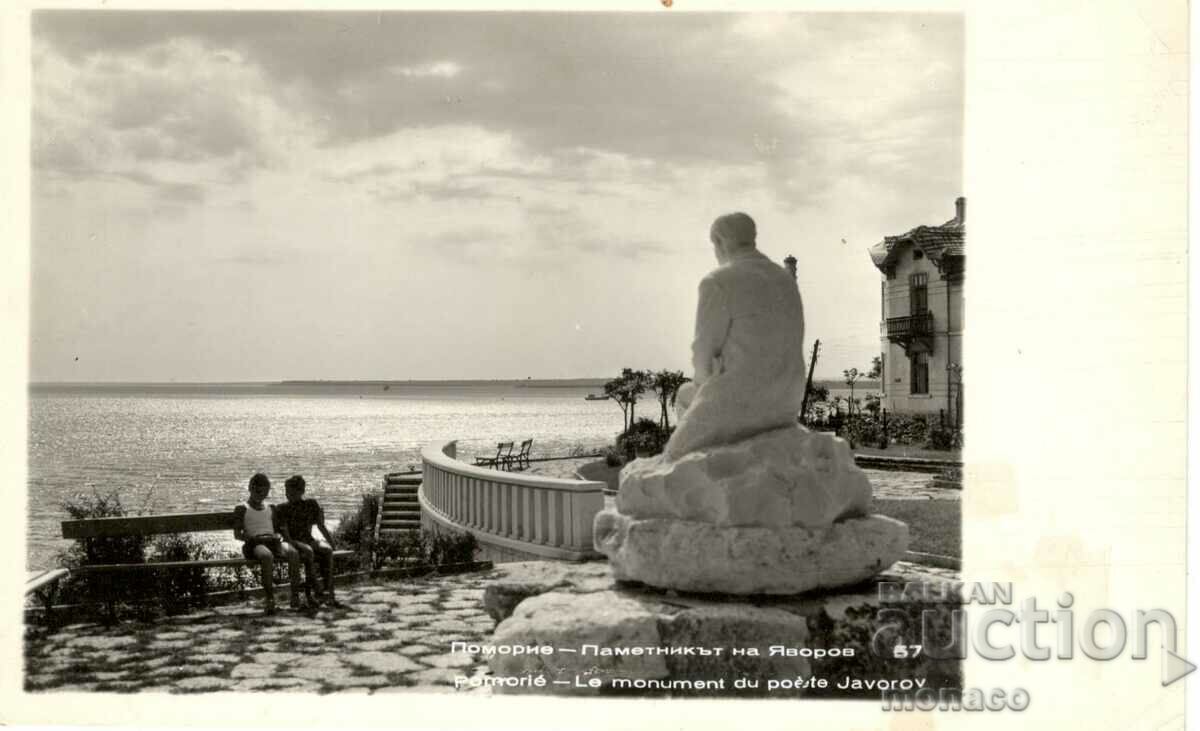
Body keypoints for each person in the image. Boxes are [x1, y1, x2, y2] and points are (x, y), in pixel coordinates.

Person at [663, 212, 807, 460]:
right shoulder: (786, 280)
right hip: (787, 403)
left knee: (679, 428)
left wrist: (708, 383)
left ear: (720, 242)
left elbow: (703, 353)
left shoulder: (718, 281)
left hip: (742, 402)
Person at [232, 473, 306, 615]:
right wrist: (251, 538)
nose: (260, 493)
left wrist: (278, 536)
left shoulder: (271, 507)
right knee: (266, 556)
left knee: (293, 553)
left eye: (264, 491)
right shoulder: (242, 508)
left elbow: (279, 530)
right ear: (250, 488)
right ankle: (270, 600)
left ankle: (295, 596)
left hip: (272, 541)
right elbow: (237, 534)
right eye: (257, 490)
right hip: (254, 544)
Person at [275, 475, 340, 607]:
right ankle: (315, 591)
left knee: (327, 551)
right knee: (308, 551)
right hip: (291, 542)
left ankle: (328, 591)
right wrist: (294, 544)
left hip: (308, 540)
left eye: (293, 492)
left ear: (301, 491)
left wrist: (332, 543)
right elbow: (285, 533)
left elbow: (321, 526)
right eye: (287, 492)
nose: (289, 495)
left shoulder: (310, 504)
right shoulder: (282, 508)